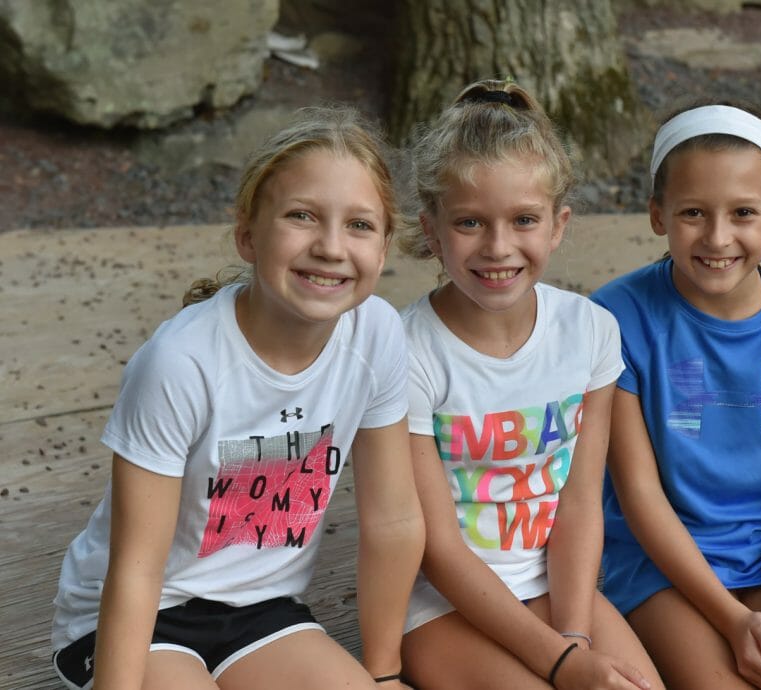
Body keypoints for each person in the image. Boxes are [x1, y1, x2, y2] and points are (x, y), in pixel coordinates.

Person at [50, 106, 425, 690]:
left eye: (359, 225)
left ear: (383, 248)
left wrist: (382, 673)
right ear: (248, 234)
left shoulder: (376, 335)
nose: (330, 246)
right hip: (141, 615)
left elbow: (394, 519)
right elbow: (136, 569)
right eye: (302, 216)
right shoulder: (181, 363)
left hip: (263, 613)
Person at [397, 78, 664, 690]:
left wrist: (573, 636)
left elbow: (577, 501)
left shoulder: (590, 332)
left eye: (523, 220)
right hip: (442, 606)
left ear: (557, 224)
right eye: (469, 222)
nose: (499, 248)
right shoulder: (409, 350)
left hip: (558, 590)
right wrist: (564, 664)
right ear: (432, 230)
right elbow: (436, 547)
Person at [591, 100, 761, 690]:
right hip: (662, 567)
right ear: (658, 214)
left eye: (743, 212)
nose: (717, 237)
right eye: (693, 212)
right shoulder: (618, 316)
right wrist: (735, 619)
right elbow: (637, 492)